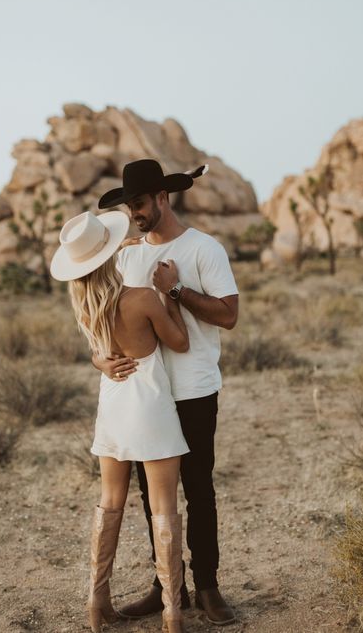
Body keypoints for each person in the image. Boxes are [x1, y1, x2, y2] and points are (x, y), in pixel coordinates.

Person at [92, 159, 239, 626]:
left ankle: (209, 587)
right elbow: (103, 321)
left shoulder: (204, 248)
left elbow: (228, 315)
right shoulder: (126, 256)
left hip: (193, 388)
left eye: (139, 203)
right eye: (128, 205)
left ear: (162, 197)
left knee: (199, 489)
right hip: (145, 396)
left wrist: (175, 290)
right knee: (151, 497)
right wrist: (100, 358)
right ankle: (166, 588)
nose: (133, 212)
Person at [50, 209, 191, 633]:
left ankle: (97, 604)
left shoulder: (86, 305)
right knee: (164, 506)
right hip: (149, 405)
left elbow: (99, 352)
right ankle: (172, 614)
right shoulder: (142, 298)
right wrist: (169, 294)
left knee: (109, 502)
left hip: (112, 408)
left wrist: (100, 361)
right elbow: (180, 343)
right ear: (111, 253)